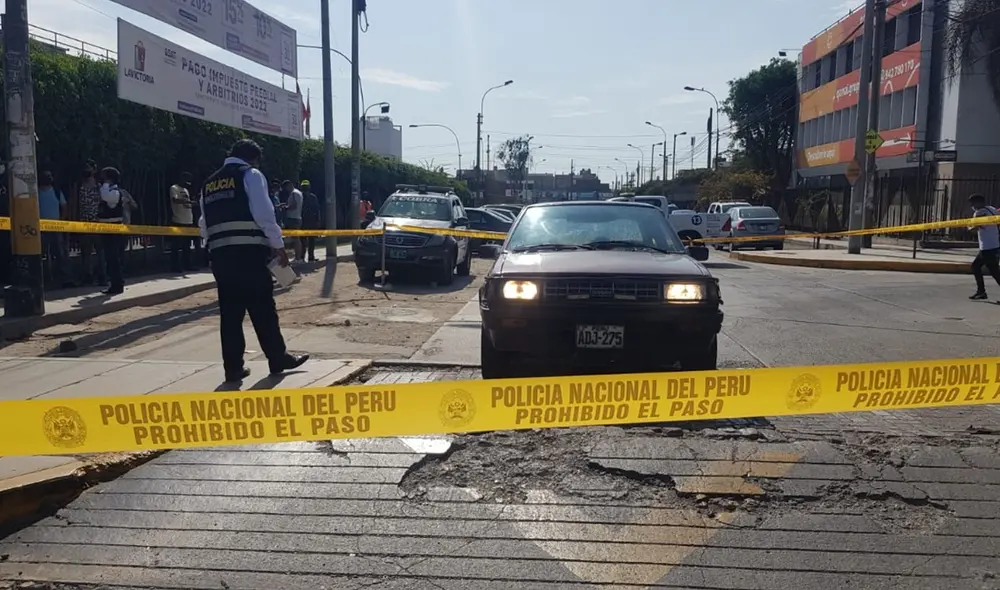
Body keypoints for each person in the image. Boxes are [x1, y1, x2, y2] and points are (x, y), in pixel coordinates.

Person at [198, 138, 309, 382]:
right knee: (262, 308)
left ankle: (233, 368)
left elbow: (204, 224)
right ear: (253, 158)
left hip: (221, 255)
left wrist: (211, 251)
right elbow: (264, 214)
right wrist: (278, 247)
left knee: (230, 313)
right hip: (249, 252)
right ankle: (278, 358)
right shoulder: (251, 174)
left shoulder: (209, 183)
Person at [38, 170, 73, 288]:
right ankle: (41, 279)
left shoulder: (57, 192)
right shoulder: (36, 193)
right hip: (40, 228)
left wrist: (61, 221)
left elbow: (64, 206)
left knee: (60, 253)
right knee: (39, 254)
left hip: (56, 227)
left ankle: (66, 278)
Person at [97, 167, 126, 295]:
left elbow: (105, 196)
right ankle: (115, 284)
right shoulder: (109, 190)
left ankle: (117, 285)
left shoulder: (114, 192)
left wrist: (105, 184)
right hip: (106, 229)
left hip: (113, 230)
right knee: (110, 258)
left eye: (104, 176)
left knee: (113, 258)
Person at [77, 161, 107, 286]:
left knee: (101, 251)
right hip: (83, 223)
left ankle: (103, 276)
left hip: (97, 222)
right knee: (86, 252)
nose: (87, 169)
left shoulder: (99, 187)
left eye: (89, 167)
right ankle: (87, 277)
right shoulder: (79, 186)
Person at [968, 193, 1000, 300]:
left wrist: (968, 227)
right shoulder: (992, 209)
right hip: (994, 244)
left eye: (973, 203)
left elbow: (974, 229)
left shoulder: (979, 213)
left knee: (991, 270)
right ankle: (981, 291)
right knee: (990, 269)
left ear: (979, 203)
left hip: (987, 247)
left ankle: (981, 291)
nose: (972, 205)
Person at [169, 172, 196, 272]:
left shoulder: (186, 190)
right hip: (178, 220)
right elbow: (175, 200)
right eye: (186, 180)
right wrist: (189, 202)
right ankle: (175, 266)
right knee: (176, 246)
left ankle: (187, 265)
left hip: (188, 220)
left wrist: (192, 204)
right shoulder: (174, 188)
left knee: (187, 246)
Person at [281, 180, 305, 261]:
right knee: (296, 239)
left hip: (293, 218)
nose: (286, 190)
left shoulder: (294, 193)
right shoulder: (299, 193)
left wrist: (285, 208)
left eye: (286, 187)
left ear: (289, 185)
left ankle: (297, 257)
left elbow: (294, 206)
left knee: (295, 239)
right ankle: (298, 257)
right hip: (298, 217)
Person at [299, 180, 320, 262]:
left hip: (311, 221)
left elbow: (317, 209)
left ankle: (311, 257)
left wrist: (318, 220)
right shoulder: (300, 197)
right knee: (303, 240)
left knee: (311, 240)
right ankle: (302, 256)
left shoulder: (313, 197)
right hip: (303, 221)